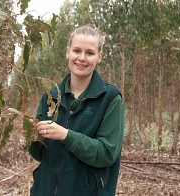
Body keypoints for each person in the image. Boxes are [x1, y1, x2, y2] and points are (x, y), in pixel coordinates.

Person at [28, 25, 125, 196]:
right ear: (67, 52)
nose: (82, 58)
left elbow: (106, 153)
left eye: (89, 53)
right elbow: (41, 154)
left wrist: (66, 135)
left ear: (99, 57)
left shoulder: (110, 99)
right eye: (77, 51)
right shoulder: (50, 96)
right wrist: (30, 135)